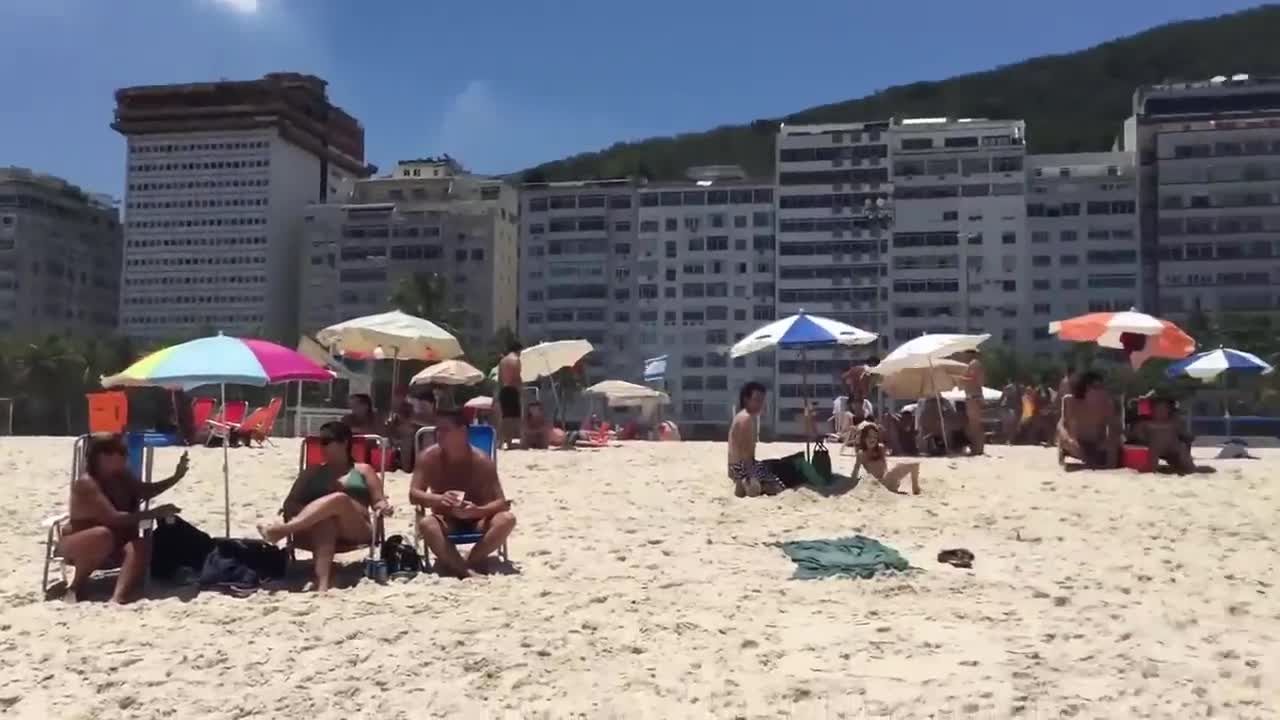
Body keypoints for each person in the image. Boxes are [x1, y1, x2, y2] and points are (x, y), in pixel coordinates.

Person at [258, 422, 392, 591]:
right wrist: (318, 511)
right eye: (321, 441)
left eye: (327, 441)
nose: (322, 446)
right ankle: (322, 585)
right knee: (325, 521)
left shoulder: (363, 470)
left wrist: (384, 506)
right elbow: (289, 503)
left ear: (344, 442)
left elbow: (378, 500)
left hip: (356, 529)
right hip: (313, 530)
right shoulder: (312, 472)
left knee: (339, 499)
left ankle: (283, 530)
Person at [59, 433, 188, 603]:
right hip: (80, 545)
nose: (126, 457)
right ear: (103, 457)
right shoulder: (87, 484)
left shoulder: (121, 476)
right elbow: (113, 518)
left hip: (114, 544)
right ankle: (76, 586)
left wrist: (175, 477)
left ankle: (118, 597)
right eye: (122, 453)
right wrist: (154, 513)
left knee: (140, 544)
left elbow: (145, 491)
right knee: (101, 535)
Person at [410, 410, 516, 577]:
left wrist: (477, 511)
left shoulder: (481, 461)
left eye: (445, 430)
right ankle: (464, 570)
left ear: (462, 432)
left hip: (478, 519)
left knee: (507, 520)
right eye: (438, 430)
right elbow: (414, 495)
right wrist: (439, 499)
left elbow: (501, 502)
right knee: (427, 524)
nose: (439, 434)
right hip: (446, 520)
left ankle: (468, 562)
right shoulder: (429, 458)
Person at [727, 382, 783, 497]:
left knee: (772, 467)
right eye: (757, 400)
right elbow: (745, 453)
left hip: (733, 467)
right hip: (743, 468)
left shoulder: (740, 416)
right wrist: (751, 478)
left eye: (762, 401)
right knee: (779, 485)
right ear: (746, 399)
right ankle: (746, 484)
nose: (760, 404)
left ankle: (745, 482)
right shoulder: (746, 419)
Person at [1057, 371, 1122, 469]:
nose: (1100, 391)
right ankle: (1075, 456)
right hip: (1076, 444)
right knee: (1065, 439)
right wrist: (1069, 439)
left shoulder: (1107, 403)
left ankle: (1104, 465)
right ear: (1085, 388)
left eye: (1101, 387)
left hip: (1097, 444)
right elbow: (1061, 425)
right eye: (1096, 388)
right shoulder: (1070, 400)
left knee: (1113, 442)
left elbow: (1113, 426)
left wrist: (1108, 441)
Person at [1131, 396, 1195, 474]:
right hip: (1153, 448)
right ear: (1152, 410)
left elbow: (1185, 435)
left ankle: (1189, 468)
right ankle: (1152, 469)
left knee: (1182, 447)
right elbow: (1137, 436)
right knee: (1154, 449)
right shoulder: (1144, 423)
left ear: (1169, 410)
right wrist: (1144, 441)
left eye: (1164, 409)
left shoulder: (1175, 422)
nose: (1161, 411)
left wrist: (1188, 438)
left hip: (1173, 447)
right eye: (1158, 409)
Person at [852, 423, 922, 494]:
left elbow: (889, 442)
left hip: (888, 479)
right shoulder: (861, 454)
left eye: (875, 437)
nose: (872, 439)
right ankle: (892, 489)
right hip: (877, 485)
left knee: (914, 465)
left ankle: (915, 487)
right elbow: (855, 472)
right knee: (889, 476)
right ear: (864, 438)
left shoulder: (880, 448)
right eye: (869, 437)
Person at [495, 341, 523, 450]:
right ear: (518, 350)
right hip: (512, 389)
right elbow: (517, 378)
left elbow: (500, 379)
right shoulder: (516, 360)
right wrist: (521, 391)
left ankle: (500, 442)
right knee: (513, 419)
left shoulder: (502, 361)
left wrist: (497, 395)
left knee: (504, 418)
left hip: (503, 390)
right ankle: (510, 442)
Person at [960, 350, 986, 455]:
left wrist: (960, 378)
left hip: (973, 397)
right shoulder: (976, 364)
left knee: (974, 425)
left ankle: (977, 448)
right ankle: (977, 447)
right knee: (975, 424)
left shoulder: (973, 364)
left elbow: (974, 379)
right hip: (975, 397)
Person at [840, 356, 877, 422]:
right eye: (876, 366)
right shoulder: (867, 371)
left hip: (853, 397)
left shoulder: (856, 368)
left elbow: (843, 377)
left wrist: (847, 391)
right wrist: (865, 393)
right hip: (858, 398)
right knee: (860, 420)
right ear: (872, 363)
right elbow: (863, 381)